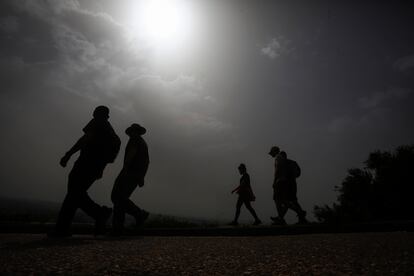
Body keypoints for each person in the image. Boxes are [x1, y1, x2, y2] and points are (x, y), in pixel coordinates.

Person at [50, 106, 121, 237]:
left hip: (85, 164)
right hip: (94, 167)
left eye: (95, 111)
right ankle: (65, 227)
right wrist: (101, 169)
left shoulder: (97, 122)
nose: (92, 113)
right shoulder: (109, 129)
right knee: (75, 194)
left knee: (74, 193)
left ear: (99, 114)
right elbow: (106, 153)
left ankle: (97, 214)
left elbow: (84, 139)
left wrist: (68, 154)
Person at [111, 123, 150, 235]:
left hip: (129, 173)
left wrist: (125, 169)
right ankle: (137, 216)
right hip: (136, 175)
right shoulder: (143, 143)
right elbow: (147, 162)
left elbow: (130, 155)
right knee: (120, 198)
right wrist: (142, 176)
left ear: (134, 132)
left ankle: (119, 227)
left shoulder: (134, 140)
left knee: (117, 197)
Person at [269, 147, 307, 225]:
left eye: (271, 152)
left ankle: (298, 213)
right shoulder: (292, 162)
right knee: (289, 201)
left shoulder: (278, 157)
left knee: (280, 200)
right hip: (290, 183)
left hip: (281, 182)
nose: (271, 154)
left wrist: (274, 181)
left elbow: (277, 170)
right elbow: (298, 173)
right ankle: (282, 218)